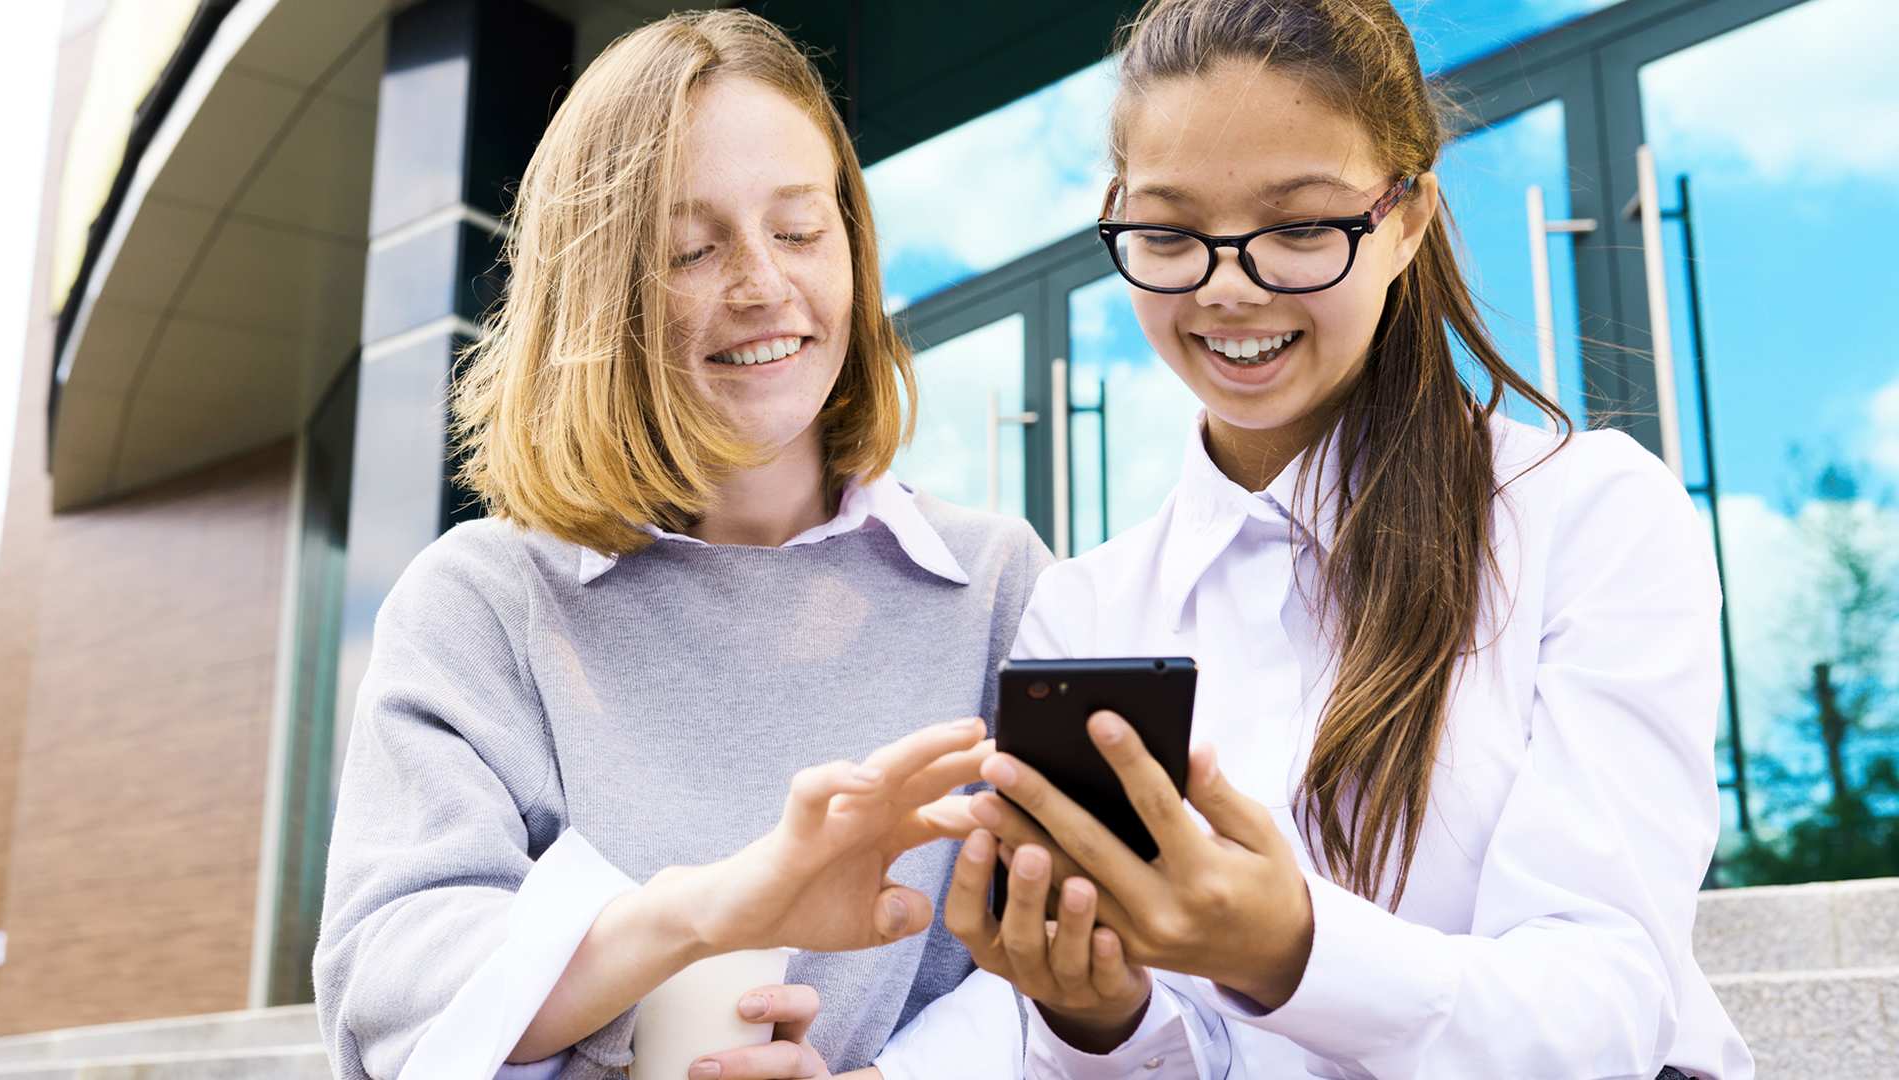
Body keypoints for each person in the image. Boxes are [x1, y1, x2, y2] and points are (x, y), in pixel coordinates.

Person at [897, 1, 1755, 1077]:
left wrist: (1292, 948)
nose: (1227, 285)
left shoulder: (1589, 516)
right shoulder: (1089, 609)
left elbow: (1605, 1008)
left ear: (1405, 218)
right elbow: (1163, 1056)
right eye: (1168, 232)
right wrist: (1097, 1019)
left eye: (1301, 227)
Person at [310, 10, 1046, 1079]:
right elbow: (388, 991)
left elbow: (1087, 970)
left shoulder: (994, 583)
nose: (762, 285)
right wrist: (699, 918)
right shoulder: (485, 603)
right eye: (692, 250)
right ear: (596, 296)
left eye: (799, 231)